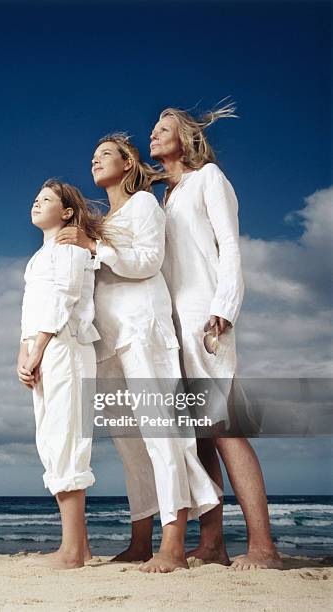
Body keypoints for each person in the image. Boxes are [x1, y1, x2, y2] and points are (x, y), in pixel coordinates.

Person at [56, 134, 221, 573]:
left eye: (105, 154)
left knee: (162, 436)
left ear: (129, 164)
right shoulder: (102, 221)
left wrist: (95, 248)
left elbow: (147, 261)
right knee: (130, 446)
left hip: (144, 331)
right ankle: (140, 540)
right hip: (107, 342)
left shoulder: (145, 205)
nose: (95, 160)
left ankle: (173, 543)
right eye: (92, 155)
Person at [149, 101, 282, 570]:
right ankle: (212, 544)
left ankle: (263, 547)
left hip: (206, 316)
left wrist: (224, 309)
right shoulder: (163, 195)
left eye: (164, 128)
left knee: (224, 429)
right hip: (171, 326)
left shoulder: (209, 179)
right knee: (200, 436)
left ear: (185, 138)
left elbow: (230, 248)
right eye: (153, 129)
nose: (154, 134)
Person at [17, 178, 104, 569]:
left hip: (66, 347)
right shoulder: (38, 258)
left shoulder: (71, 245)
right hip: (44, 349)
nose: (37, 203)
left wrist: (38, 347)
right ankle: (77, 548)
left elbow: (64, 298)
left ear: (67, 211)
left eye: (46, 199)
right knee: (51, 441)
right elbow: (30, 310)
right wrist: (24, 351)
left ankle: (72, 552)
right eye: (35, 198)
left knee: (68, 440)